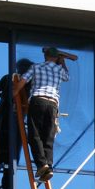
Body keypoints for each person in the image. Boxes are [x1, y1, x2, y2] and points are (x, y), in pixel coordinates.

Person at [12, 46, 76, 181]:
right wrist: (62, 60)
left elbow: (22, 81)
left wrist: (13, 95)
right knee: (48, 136)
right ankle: (49, 166)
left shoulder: (36, 67)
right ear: (56, 58)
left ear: (45, 56)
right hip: (52, 105)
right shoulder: (60, 70)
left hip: (38, 100)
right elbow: (67, 76)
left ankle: (42, 165)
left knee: (34, 134)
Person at [0, 59, 33, 189]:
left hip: (5, 115)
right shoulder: (25, 81)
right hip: (12, 117)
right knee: (9, 151)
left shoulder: (9, 78)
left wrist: (4, 96)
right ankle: (4, 182)